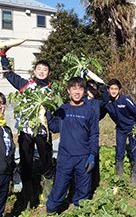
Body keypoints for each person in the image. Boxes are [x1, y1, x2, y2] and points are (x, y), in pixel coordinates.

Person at [0, 46, 54, 207]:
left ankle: (48, 193)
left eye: (45, 70)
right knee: (26, 163)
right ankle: (29, 198)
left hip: (42, 132)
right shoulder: (25, 85)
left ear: (49, 73)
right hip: (25, 131)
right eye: (39, 69)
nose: (42, 72)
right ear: (34, 71)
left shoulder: (51, 91)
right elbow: (9, 74)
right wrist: (3, 56)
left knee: (46, 162)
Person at [45, 77, 99, 214]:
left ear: (84, 91)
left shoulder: (90, 110)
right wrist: (47, 112)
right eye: (73, 88)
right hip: (65, 156)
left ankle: (80, 210)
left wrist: (92, 154)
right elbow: (54, 127)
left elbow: (94, 134)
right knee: (60, 185)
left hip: (84, 156)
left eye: (80, 89)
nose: (77, 92)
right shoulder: (63, 109)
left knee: (83, 187)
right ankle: (51, 209)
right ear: (68, 90)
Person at [102, 78, 136, 183]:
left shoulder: (125, 100)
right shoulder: (107, 102)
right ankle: (119, 174)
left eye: (116, 89)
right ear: (108, 89)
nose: (113, 91)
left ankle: (134, 173)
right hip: (120, 129)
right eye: (111, 88)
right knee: (119, 151)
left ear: (119, 90)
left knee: (134, 150)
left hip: (132, 128)